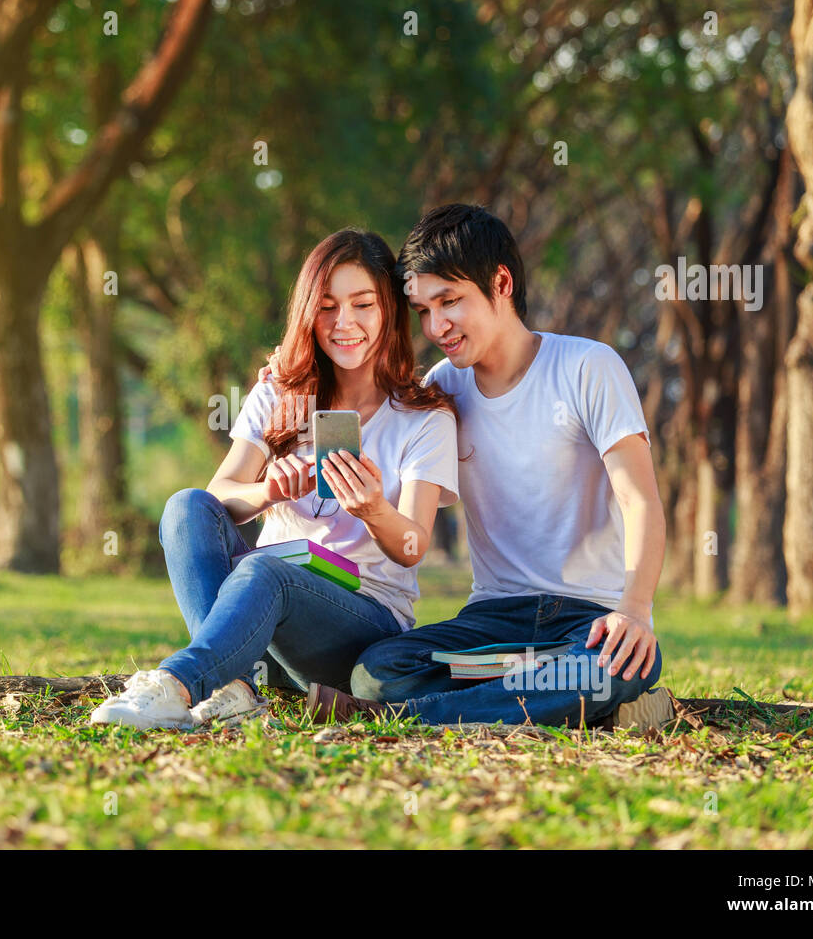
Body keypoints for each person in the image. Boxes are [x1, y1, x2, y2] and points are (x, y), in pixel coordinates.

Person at [296, 205, 674, 730]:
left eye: (449, 301)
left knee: (611, 667)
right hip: (491, 618)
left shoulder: (588, 366)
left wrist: (634, 610)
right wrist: (294, 370)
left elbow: (641, 499)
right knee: (377, 671)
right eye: (423, 310)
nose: (436, 326)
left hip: (587, 619)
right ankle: (553, 698)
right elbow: (372, 395)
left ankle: (414, 718)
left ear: (500, 282)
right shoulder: (444, 390)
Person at [89, 228, 460, 730]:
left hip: (356, 627)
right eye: (326, 306)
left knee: (265, 573)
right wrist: (268, 491)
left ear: (389, 310)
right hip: (262, 623)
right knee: (186, 505)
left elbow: (413, 545)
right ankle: (236, 686)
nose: (343, 323)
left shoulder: (423, 417)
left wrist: (373, 510)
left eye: (363, 304)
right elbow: (220, 496)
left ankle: (176, 684)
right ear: (308, 312)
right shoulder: (281, 392)